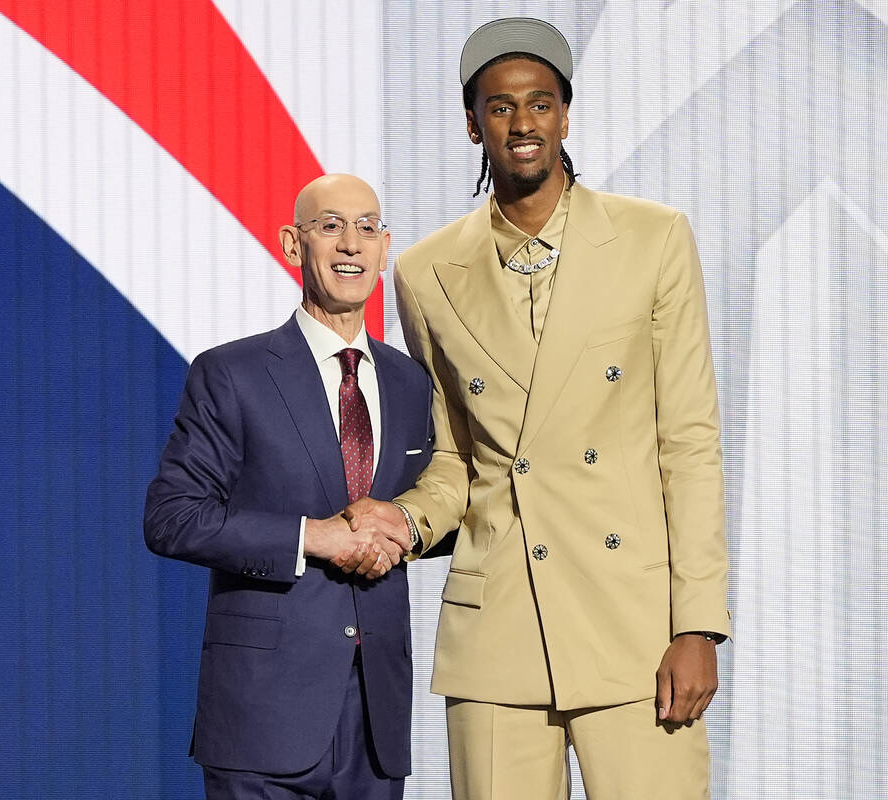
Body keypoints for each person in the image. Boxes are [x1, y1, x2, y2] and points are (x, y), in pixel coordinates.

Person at [345, 17, 731, 800]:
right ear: (471, 122)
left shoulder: (653, 239)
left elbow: (688, 443)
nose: (522, 124)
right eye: (500, 107)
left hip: (632, 621)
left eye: (540, 103)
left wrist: (697, 624)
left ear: (564, 112)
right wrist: (407, 522)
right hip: (497, 628)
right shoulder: (425, 272)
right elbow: (454, 454)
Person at [143, 173, 432, 800]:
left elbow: (435, 510)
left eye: (365, 228)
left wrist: (407, 527)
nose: (350, 244)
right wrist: (312, 537)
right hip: (261, 714)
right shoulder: (230, 373)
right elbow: (171, 516)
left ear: (385, 249)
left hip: (376, 721)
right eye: (330, 226)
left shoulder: (412, 383)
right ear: (292, 244)